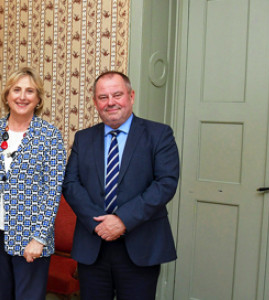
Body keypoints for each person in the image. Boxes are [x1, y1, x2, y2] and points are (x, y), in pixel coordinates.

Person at [62, 71, 179, 299]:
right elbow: (71, 183)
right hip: (93, 244)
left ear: (131, 96)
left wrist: (122, 220)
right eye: (103, 97)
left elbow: (165, 183)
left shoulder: (159, 134)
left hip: (141, 244)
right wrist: (98, 223)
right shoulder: (84, 138)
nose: (111, 102)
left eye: (117, 95)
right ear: (95, 102)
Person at [0, 67, 67, 299]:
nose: (22, 96)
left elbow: (53, 192)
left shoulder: (50, 136)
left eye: (30, 91)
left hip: (30, 237)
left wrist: (39, 238)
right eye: (17, 90)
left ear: (38, 99)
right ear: (7, 96)